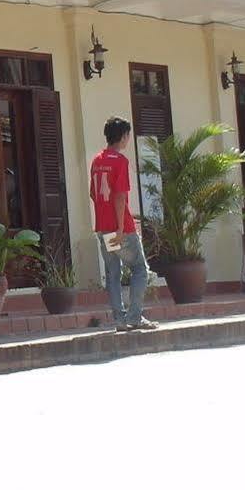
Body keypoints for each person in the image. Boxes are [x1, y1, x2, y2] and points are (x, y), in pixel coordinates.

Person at [90, 115, 157, 333]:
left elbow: (94, 194)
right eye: (128, 135)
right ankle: (135, 316)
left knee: (113, 273)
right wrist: (120, 227)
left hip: (103, 226)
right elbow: (119, 197)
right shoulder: (120, 161)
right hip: (121, 229)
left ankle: (119, 320)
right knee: (140, 269)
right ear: (124, 136)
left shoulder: (97, 160)